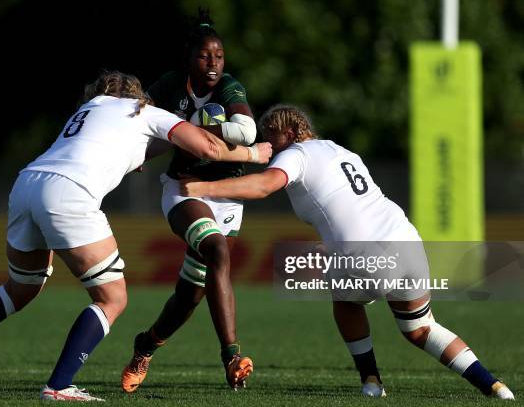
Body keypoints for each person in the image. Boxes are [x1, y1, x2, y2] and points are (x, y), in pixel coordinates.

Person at [0, 70, 271, 401]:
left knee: (20, 288)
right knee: (112, 298)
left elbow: (140, 150)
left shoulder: (89, 108)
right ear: (137, 95)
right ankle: (58, 386)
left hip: (27, 183)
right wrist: (255, 153)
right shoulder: (144, 110)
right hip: (69, 193)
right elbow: (207, 147)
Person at [180, 104, 515, 400]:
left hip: (362, 251)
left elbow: (264, 186)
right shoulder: (341, 151)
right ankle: (495, 386)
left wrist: (204, 188)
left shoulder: (296, 154)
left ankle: (370, 381)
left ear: (293, 131)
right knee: (421, 327)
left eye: (271, 136)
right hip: (406, 239)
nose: (266, 146)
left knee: (345, 303)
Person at [121, 9, 257, 392]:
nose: (213, 63)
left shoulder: (229, 86)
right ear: (189, 58)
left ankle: (145, 345)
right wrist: (135, 155)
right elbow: (136, 123)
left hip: (226, 196)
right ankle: (232, 356)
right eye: (204, 56)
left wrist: (194, 127)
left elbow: (246, 132)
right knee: (218, 251)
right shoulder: (169, 86)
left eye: (218, 56)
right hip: (184, 188)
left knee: (189, 296)